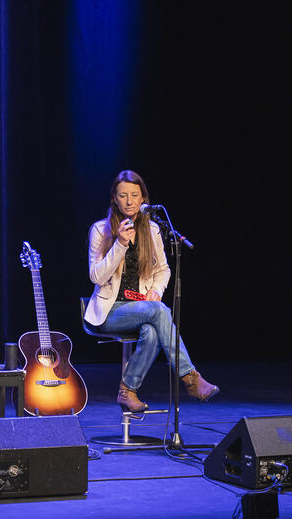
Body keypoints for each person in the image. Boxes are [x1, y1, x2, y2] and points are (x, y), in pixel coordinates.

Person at [83, 170, 218, 413]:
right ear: (114, 197)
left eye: (135, 195)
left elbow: (163, 270)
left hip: (142, 307)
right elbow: (96, 276)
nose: (129, 201)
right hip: (109, 311)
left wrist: (156, 290)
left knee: (153, 332)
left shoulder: (153, 230)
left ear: (143, 198)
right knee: (158, 312)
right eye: (123, 195)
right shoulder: (100, 230)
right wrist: (120, 244)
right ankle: (190, 378)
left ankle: (127, 390)